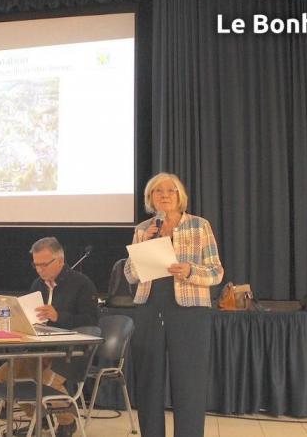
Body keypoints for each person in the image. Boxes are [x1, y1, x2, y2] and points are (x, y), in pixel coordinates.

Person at [124, 172, 224, 437]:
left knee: (189, 384)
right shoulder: (143, 230)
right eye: (158, 191)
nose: (165, 195)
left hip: (189, 312)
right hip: (149, 309)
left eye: (171, 191)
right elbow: (129, 274)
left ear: (180, 197)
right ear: (150, 198)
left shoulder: (199, 226)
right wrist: (144, 246)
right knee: (149, 383)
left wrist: (190, 271)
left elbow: (216, 272)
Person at [0, 237, 99, 437]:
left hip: (71, 351)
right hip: (40, 348)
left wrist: (59, 316)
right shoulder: (37, 284)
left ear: (60, 261)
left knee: (47, 380)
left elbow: (92, 322)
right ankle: (39, 420)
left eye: (44, 264)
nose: (39, 270)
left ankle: (67, 422)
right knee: (3, 376)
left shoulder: (82, 283)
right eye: (36, 265)